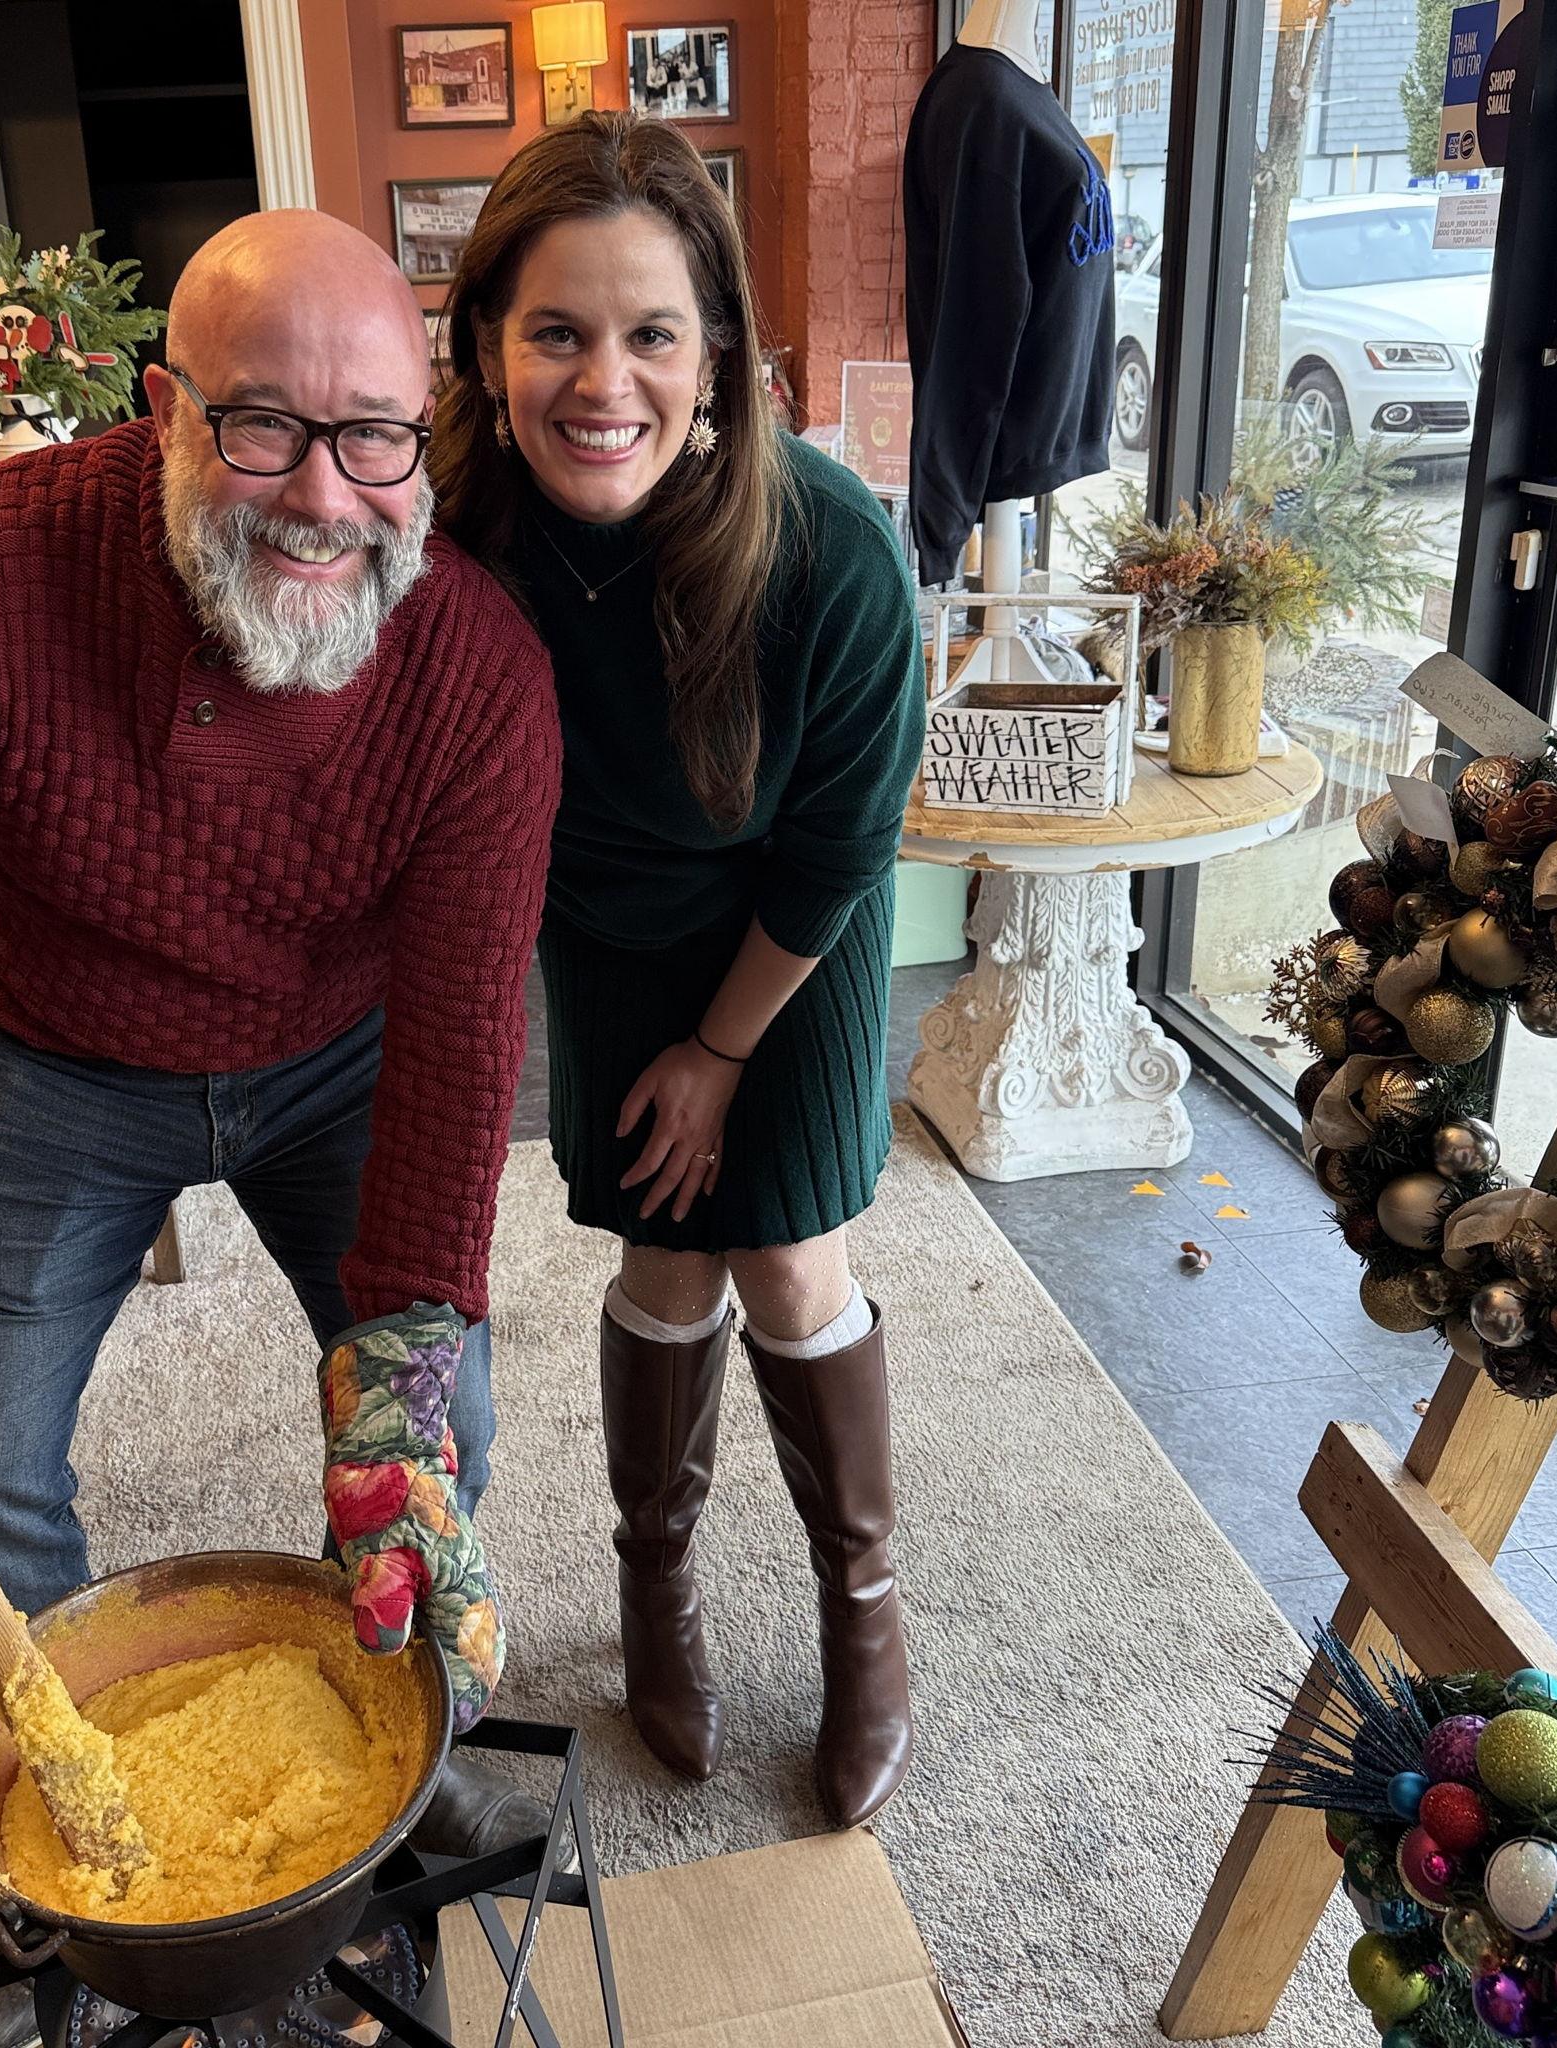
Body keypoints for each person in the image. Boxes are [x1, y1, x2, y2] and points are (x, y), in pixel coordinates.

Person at [0, 210, 561, 2045]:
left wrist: (405, 1343)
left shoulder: (479, 667)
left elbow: (459, 1027)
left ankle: (396, 1769)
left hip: (342, 1057)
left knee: (441, 1423)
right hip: (51, 1060)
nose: (325, 495)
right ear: (159, 407)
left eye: (372, 436)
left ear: (421, 429)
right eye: (262, 427)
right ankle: (59, 1890)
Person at [429, 112, 926, 1829]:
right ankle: (658, 1585)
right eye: (557, 331)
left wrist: (723, 1053)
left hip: (789, 933)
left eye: (651, 333)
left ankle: (866, 1618)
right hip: (607, 926)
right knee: (660, 1240)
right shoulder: (453, 538)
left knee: (785, 1252)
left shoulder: (835, 551)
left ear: (718, 352)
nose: (604, 381)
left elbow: (844, 848)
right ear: (490, 351)